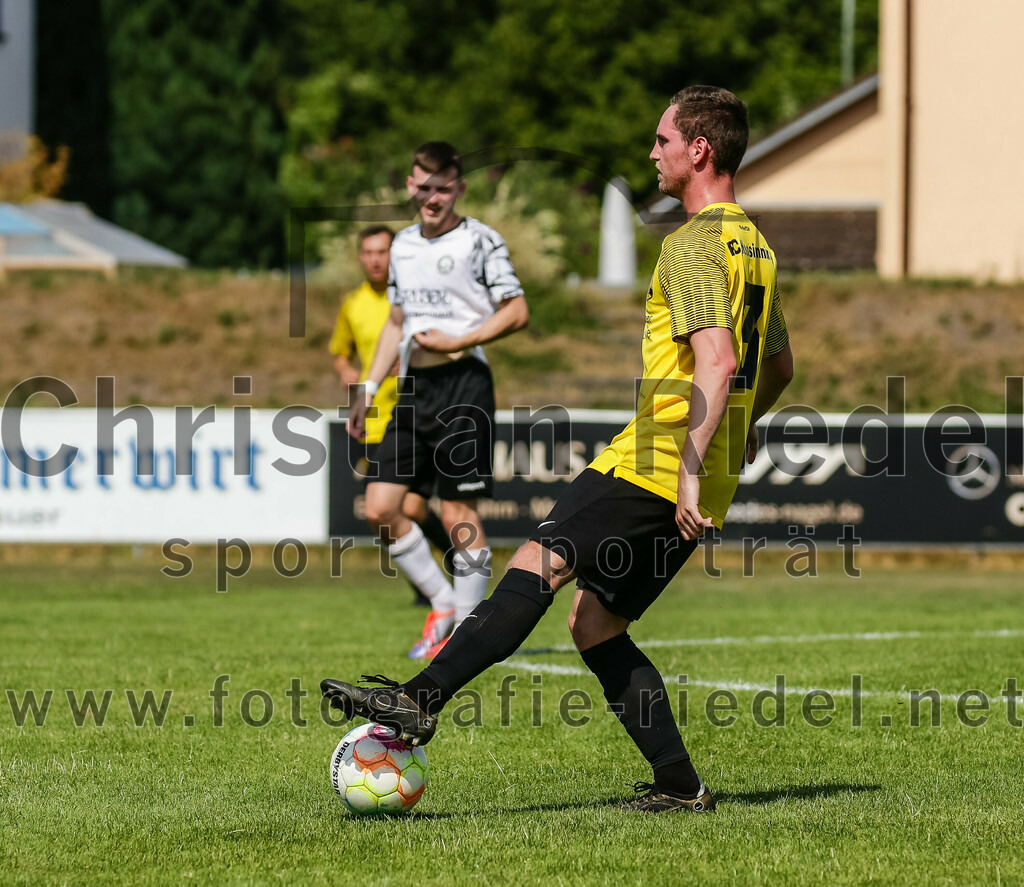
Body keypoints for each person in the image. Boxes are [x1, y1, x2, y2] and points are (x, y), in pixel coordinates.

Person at [322, 86, 793, 813]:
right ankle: (680, 784)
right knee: (595, 622)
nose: (653, 152)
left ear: (699, 150)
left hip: (661, 461)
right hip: (703, 471)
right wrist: (738, 431)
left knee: (534, 563)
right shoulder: (754, 246)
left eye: (663, 140)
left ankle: (419, 699)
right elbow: (778, 368)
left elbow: (720, 360)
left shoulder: (692, 242)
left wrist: (692, 468)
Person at [346, 141, 529, 659]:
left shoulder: (481, 240)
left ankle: (470, 634)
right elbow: (396, 325)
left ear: (459, 188)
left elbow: (516, 311)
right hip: (412, 390)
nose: (432, 197)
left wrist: (458, 341)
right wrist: (366, 388)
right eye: (423, 187)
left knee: (456, 514)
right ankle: (445, 604)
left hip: (464, 385)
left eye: (443, 188)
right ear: (410, 186)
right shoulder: (402, 246)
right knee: (380, 506)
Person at [329, 225, 454, 606]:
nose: (375, 259)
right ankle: (429, 591)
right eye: (368, 252)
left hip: (422, 411)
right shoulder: (352, 304)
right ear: (359, 257)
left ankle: (454, 570)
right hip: (376, 419)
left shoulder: (414, 295)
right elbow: (340, 351)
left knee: (413, 507)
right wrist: (346, 372)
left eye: (382, 251)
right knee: (385, 510)